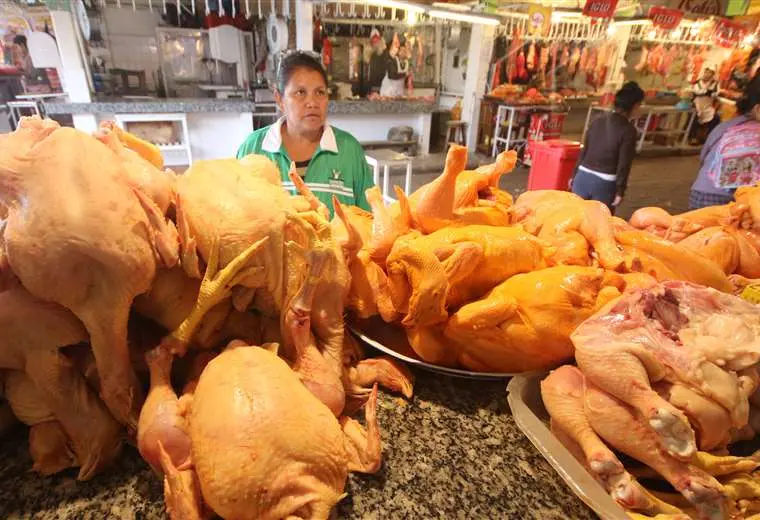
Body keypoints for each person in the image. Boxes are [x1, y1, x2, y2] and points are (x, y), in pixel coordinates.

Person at [236, 51, 374, 216]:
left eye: (320, 92)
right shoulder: (253, 148)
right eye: (300, 93)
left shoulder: (349, 150)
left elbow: (368, 221)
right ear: (280, 99)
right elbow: (239, 218)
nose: (312, 103)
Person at [571, 81, 645, 212]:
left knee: (574, 220)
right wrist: (620, 190)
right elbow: (623, 164)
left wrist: (574, 175)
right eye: (640, 106)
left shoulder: (597, 120)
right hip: (604, 184)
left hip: (581, 178)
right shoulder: (628, 131)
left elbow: (584, 151)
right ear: (635, 106)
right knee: (598, 227)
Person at [689, 81, 760, 209]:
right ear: (758, 110)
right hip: (735, 202)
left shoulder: (724, 127)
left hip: (700, 194)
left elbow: (703, 159)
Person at [690, 67, 720, 145]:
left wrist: (712, 94)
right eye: (707, 72)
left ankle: (708, 137)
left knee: (716, 118)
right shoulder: (697, 82)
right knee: (694, 118)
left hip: (708, 106)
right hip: (697, 105)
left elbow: (716, 93)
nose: (708, 74)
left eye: (710, 73)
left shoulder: (715, 83)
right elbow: (696, 91)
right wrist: (706, 92)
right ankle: (692, 137)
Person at [379, 33, 409, 98]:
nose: (404, 52)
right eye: (402, 50)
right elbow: (392, 75)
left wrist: (408, 78)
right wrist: (405, 75)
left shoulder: (406, 62)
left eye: (405, 50)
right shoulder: (392, 60)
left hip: (399, 93)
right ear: (398, 52)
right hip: (388, 93)